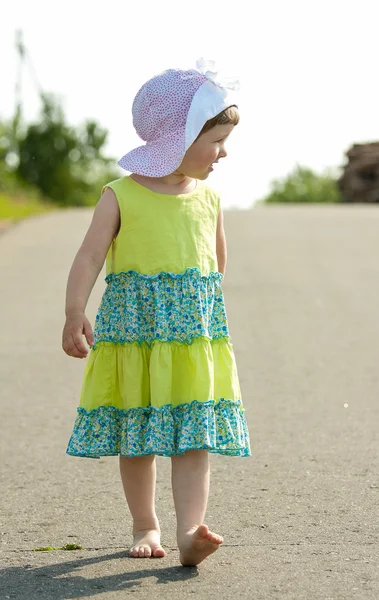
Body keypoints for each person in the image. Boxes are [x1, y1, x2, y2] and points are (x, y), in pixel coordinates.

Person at [62, 58, 251, 567]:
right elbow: (89, 256)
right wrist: (75, 309)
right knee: (140, 434)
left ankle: (191, 531)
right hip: (136, 336)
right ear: (179, 137)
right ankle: (145, 523)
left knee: (194, 437)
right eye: (215, 141)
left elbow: (217, 265)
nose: (223, 153)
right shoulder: (120, 195)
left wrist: (195, 318)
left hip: (190, 341)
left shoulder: (208, 197)